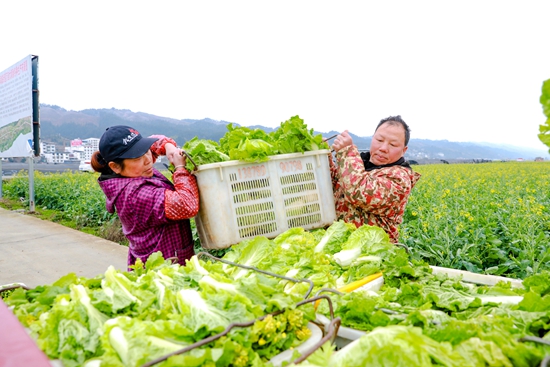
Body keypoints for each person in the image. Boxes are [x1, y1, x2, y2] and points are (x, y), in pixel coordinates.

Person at [91, 125, 199, 268]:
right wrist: (180, 169)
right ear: (115, 167)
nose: (148, 160)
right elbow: (186, 205)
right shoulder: (134, 195)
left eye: (146, 151)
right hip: (161, 271)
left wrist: (168, 148)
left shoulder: (134, 171)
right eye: (137, 157)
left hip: (172, 260)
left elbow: (155, 141)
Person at [330, 115, 421, 243]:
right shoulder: (356, 164)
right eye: (379, 140)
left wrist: (346, 151)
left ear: (403, 150)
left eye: (393, 144)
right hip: (339, 245)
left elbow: (358, 192)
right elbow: (332, 185)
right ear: (372, 139)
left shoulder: (400, 179)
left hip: (373, 252)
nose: (383, 148)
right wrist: (323, 158)